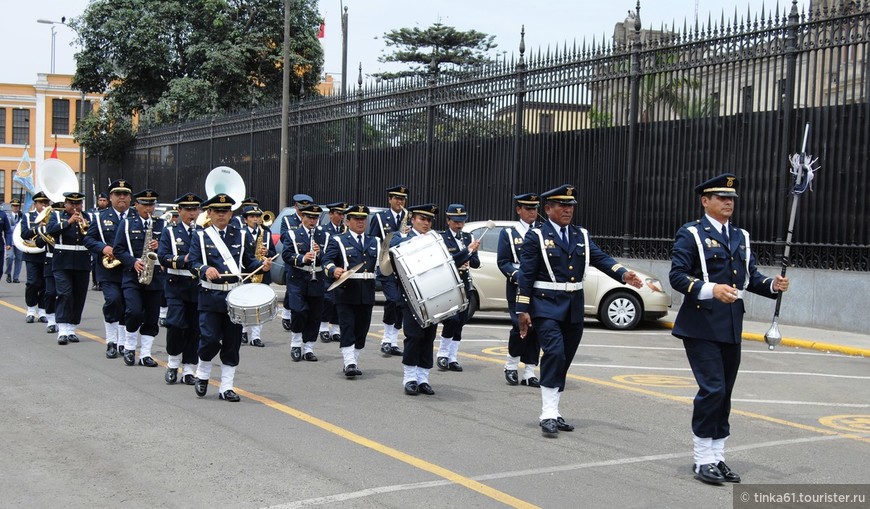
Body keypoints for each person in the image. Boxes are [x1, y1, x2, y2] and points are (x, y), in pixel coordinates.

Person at [670, 173, 789, 485]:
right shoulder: (692, 233)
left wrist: (773, 285)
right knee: (713, 389)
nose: (728, 202)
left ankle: (718, 456)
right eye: (721, 197)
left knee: (725, 394)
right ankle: (701, 459)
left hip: (731, 325)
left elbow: (749, 278)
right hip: (700, 324)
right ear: (705, 200)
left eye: (731, 198)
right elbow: (678, 276)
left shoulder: (741, 236)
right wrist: (711, 289)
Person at [517, 184, 643, 436]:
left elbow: (600, 258)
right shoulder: (537, 237)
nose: (567, 210)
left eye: (571, 206)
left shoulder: (581, 235)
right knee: (553, 352)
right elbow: (526, 273)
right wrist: (523, 308)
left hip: (574, 305)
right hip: (546, 305)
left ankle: (555, 410)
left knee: (564, 358)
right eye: (562, 205)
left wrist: (623, 274)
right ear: (548, 208)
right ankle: (548, 413)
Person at [187, 193, 271, 402]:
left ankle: (227, 387)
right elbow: (193, 263)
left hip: (235, 296)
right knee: (210, 339)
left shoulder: (241, 235)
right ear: (210, 213)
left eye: (225, 211)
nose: (221, 215)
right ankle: (203, 374)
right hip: (210, 295)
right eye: (217, 211)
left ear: (231, 213)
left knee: (232, 344)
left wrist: (262, 265)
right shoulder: (200, 236)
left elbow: (249, 262)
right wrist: (205, 269)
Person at [389, 203, 440, 396]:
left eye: (429, 220)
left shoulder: (435, 240)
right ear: (413, 220)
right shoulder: (402, 239)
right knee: (413, 336)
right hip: (410, 298)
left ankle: (423, 378)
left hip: (430, 295)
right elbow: (391, 263)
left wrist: (467, 252)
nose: (426, 223)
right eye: (422, 219)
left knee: (428, 338)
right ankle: (410, 378)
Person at [323, 205, 379, 378]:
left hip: (367, 291)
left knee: (361, 330)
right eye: (356, 219)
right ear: (348, 221)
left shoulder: (374, 241)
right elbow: (327, 259)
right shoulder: (339, 240)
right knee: (347, 327)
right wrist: (334, 270)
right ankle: (349, 363)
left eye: (363, 219)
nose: (360, 222)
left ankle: (354, 359)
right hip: (346, 291)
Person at [112, 189, 166, 367]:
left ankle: (145, 354)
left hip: (155, 277)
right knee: (133, 312)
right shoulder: (127, 224)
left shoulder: (162, 225)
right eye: (145, 205)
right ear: (137, 205)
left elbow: (168, 252)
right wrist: (132, 262)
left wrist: (159, 247)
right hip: (133, 275)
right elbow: (118, 249)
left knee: (151, 316)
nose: (149, 208)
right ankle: (129, 347)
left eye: (151, 205)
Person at [497, 193, 542, 387]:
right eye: (528, 208)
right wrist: (518, 276)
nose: (532, 212)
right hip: (518, 287)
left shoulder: (541, 231)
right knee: (519, 327)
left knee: (537, 329)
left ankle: (530, 371)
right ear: (519, 210)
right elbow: (503, 262)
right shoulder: (509, 233)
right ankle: (511, 365)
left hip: (539, 288)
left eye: (534, 208)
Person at [84, 179, 133, 359]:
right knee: (113, 301)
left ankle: (123, 343)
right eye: (117, 194)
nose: (122, 197)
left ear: (130, 197)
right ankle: (111, 341)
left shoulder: (135, 217)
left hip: (130, 269)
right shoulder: (100, 217)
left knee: (129, 306)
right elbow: (88, 240)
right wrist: (103, 248)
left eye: (125, 194)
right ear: (110, 197)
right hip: (109, 270)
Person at [158, 193, 203, 385]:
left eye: (195, 209)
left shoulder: (203, 232)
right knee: (176, 325)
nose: (192, 213)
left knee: (194, 328)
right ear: (180, 211)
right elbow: (163, 256)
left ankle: (189, 369)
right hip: (176, 284)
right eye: (188, 210)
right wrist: (182, 260)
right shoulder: (170, 231)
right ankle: (173, 363)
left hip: (197, 287)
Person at [436, 203, 480, 372]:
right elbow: (446, 261)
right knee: (451, 320)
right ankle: (442, 354)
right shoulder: (442, 238)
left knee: (460, 322)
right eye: (455, 221)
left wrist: (471, 257)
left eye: (461, 221)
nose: (459, 224)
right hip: (450, 284)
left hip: (465, 284)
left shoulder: (467, 238)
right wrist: (463, 256)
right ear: (448, 221)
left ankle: (452, 357)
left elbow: (476, 263)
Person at [45, 192, 93, 345]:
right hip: (62, 261)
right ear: (65, 204)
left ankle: (72, 328)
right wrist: (69, 222)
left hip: (82, 261)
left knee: (79, 295)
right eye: (71, 203)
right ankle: (63, 329)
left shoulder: (88, 217)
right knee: (64, 294)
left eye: (78, 203)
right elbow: (50, 230)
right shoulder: (57, 216)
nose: (75, 206)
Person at [283, 203, 328, 362]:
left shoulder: (324, 236)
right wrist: (303, 258)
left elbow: (328, 258)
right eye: (309, 217)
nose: (313, 220)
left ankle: (309, 348)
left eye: (315, 217)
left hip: (317, 279)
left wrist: (320, 253)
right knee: (299, 311)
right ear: (302, 217)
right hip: (298, 278)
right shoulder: (293, 234)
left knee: (315, 315)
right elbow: (286, 255)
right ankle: (296, 344)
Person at [368, 185, 409, 357]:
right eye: (396, 198)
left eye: (402, 199)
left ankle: (393, 341)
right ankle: (386, 339)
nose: (400, 202)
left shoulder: (409, 218)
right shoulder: (379, 217)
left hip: (403, 268)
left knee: (401, 304)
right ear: (389, 200)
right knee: (393, 300)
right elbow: (371, 240)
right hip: (386, 266)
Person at [239, 205, 275, 347]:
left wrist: (268, 253)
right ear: (246, 219)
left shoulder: (266, 233)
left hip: (263, 273)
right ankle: (242, 330)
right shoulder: (241, 233)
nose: (255, 219)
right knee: (245, 304)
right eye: (252, 217)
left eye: (257, 216)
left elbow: (273, 252)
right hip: (247, 273)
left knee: (259, 305)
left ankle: (256, 336)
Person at [279, 193, 313, 330]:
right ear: (295, 207)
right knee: (291, 289)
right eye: (300, 209)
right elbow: (283, 237)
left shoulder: (311, 219)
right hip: (293, 259)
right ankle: (286, 313)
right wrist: (299, 232)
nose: (302, 211)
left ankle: (298, 314)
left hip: (310, 260)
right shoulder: (288, 220)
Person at [20, 192, 51, 324]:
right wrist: (38, 229)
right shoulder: (28, 217)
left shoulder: (52, 216)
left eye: (46, 203)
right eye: (41, 203)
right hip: (32, 254)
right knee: (32, 282)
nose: (43, 205)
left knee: (45, 284)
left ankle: (42, 311)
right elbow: (24, 234)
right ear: (35, 204)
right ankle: (31, 310)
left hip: (46, 253)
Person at [319, 201, 347, 344]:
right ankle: (323, 327)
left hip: (342, 268)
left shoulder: (345, 230)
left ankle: (336, 330)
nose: (341, 216)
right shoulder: (323, 230)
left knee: (339, 299)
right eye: (338, 213)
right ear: (331, 215)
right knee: (328, 299)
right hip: (328, 268)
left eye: (343, 214)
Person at [89, 192, 110, 290]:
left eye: (104, 200)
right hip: (96, 241)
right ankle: (95, 281)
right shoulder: (92, 212)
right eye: (100, 200)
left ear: (107, 202)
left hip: (105, 241)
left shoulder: (109, 212)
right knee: (94, 262)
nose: (102, 202)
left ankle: (102, 281)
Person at [6, 198, 23, 283]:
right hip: (10, 241)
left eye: (17, 206)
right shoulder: (7, 216)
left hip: (19, 241)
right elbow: (7, 228)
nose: (16, 208)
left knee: (19, 259)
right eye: (14, 206)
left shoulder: (22, 216)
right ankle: (8, 273)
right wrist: (16, 227)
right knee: (9, 257)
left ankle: (16, 277)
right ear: (11, 206)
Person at [0, 202, 12, 279]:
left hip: (0, 245)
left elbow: (7, 231)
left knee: (0, 268)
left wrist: (8, 243)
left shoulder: (2, 215)